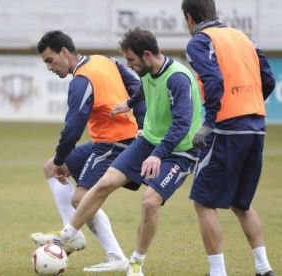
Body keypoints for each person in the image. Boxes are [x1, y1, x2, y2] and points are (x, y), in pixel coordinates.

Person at [47, 27, 202, 276]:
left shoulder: (178, 78)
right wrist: (128, 103)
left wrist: (157, 154)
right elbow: (144, 89)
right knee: (106, 182)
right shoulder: (149, 72)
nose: (128, 65)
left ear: (147, 54)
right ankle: (64, 236)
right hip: (148, 142)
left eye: (131, 60)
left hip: (180, 152)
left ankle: (136, 263)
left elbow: (182, 124)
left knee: (150, 201)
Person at [31, 30, 146, 272]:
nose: (49, 67)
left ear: (64, 52)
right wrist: (142, 123)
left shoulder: (81, 80)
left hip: (116, 142)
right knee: (50, 168)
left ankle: (116, 257)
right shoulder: (104, 59)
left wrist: (62, 159)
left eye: (50, 60)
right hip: (108, 140)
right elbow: (138, 87)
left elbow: (73, 128)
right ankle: (72, 235)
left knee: (80, 199)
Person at [181, 0, 276, 275]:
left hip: (226, 128)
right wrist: (249, 106)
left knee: (203, 200)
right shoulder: (244, 37)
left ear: (189, 18)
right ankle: (263, 267)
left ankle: (218, 272)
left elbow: (213, 81)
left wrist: (209, 124)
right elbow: (267, 79)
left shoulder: (200, 41)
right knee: (241, 202)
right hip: (256, 126)